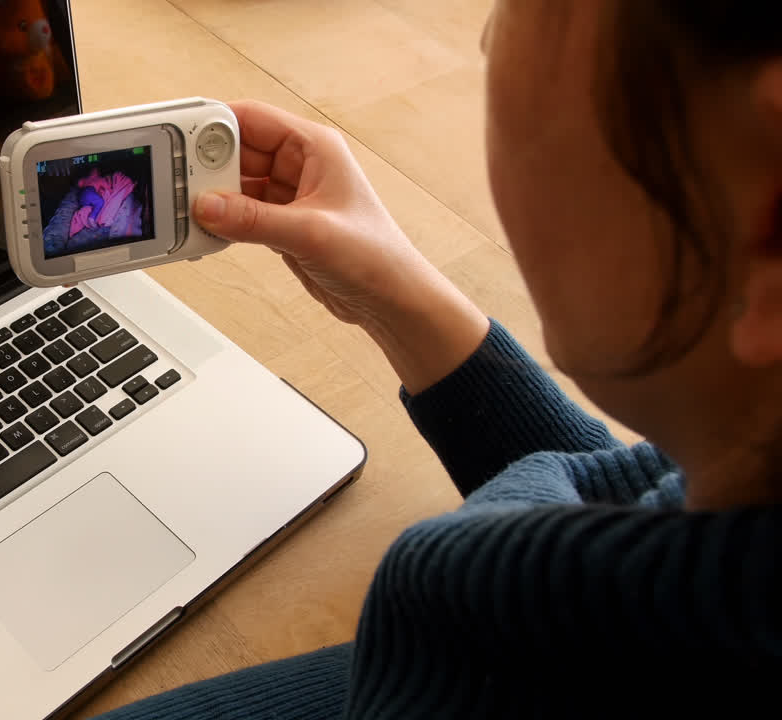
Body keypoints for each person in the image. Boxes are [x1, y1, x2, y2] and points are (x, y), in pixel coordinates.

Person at [90, 2, 782, 718]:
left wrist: (457, 576)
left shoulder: (470, 630)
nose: (488, 29)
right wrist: (398, 297)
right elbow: (657, 545)